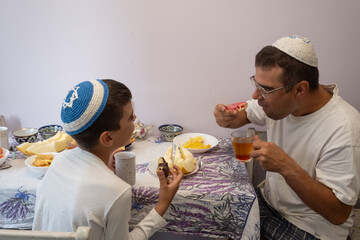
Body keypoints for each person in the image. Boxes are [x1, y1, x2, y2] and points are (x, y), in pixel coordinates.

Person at [214, 35, 360, 240]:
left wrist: (285, 166)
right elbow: (243, 115)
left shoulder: (344, 127)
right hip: (270, 204)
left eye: (265, 89)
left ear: (300, 89)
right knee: (217, 215)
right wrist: (226, 117)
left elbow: (338, 213)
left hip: (312, 227)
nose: (256, 95)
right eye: (256, 84)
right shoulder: (276, 103)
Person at [32, 79, 183, 239]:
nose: (135, 118)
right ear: (108, 138)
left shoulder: (59, 161)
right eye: (130, 118)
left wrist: (105, 168)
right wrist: (162, 205)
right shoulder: (117, 192)